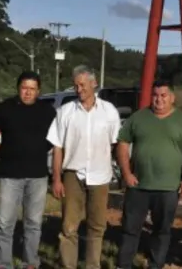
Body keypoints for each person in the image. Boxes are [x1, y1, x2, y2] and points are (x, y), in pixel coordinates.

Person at [115, 79, 182, 269]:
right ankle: (124, 264)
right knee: (130, 229)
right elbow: (122, 144)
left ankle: (156, 264)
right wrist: (126, 173)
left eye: (163, 95)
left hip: (168, 188)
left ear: (172, 98)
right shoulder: (138, 118)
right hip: (138, 186)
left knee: (161, 231)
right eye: (155, 95)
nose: (159, 99)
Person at [46, 65, 122, 269]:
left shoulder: (109, 111)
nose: (79, 90)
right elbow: (57, 147)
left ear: (94, 84)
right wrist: (56, 179)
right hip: (72, 175)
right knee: (69, 227)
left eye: (82, 85)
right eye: (76, 86)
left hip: (100, 175)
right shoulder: (65, 112)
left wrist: (121, 172)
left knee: (97, 226)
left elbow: (117, 145)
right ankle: (68, 265)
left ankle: (92, 265)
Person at [0, 71, 56, 269]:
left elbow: (55, 138)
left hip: (38, 176)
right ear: (18, 88)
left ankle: (30, 263)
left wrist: (39, 150)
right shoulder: (3, 109)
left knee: (33, 224)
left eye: (32, 89)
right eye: (24, 88)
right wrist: (4, 151)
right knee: (5, 224)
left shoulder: (48, 111)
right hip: (10, 175)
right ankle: (3, 265)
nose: (28, 92)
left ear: (38, 91)